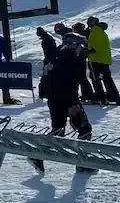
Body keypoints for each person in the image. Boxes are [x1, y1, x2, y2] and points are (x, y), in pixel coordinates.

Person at [32, 28, 93, 174]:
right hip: (68, 99)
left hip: (55, 99)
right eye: (79, 46)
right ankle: (82, 162)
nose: (81, 49)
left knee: (58, 131)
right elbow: (79, 78)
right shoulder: (71, 59)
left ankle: (37, 156)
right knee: (84, 128)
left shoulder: (58, 55)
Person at [86, 16, 120, 105]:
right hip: (104, 59)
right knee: (107, 79)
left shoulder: (95, 32)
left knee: (96, 79)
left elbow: (95, 46)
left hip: (96, 59)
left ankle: (101, 98)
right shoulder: (101, 31)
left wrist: (88, 51)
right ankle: (114, 97)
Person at [61, 23, 96, 104]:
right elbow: (86, 49)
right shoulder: (83, 37)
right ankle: (88, 95)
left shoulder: (69, 36)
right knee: (82, 78)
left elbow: (64, 48)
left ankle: (74, 95)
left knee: (73, 79)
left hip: (72, 60)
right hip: (81, 60)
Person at [36, 26, 58, 100]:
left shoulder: (46, 39)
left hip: (50, 60)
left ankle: (44, 92)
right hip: (51, 59)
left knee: (46, 76)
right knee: (49, 76)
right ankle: (46, 91)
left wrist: (48, 60)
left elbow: (50, 51)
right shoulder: (47, 38)